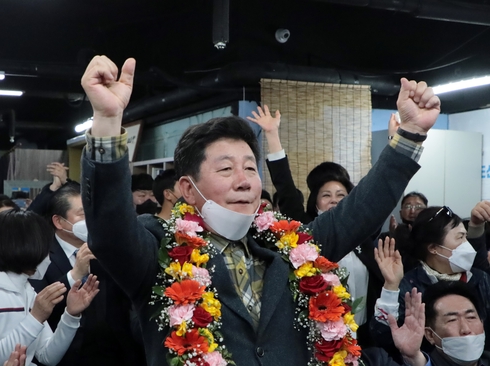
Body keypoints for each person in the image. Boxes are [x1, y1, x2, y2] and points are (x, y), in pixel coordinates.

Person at [80, 55, 440, 365]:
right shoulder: (158, 251)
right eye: (225, 169)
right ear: (187, 189)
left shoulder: (294, 247)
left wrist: (409, 133)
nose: (244, 181)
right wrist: (108, 123)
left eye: (250, 168)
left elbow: (360, 210)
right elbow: (110, 230)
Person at [248, 105, 384, 347]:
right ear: (316, 202)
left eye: (341, 195)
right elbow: (287, 190)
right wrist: (272, 135)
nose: (334, 200)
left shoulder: (363, 238)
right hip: (319, 336)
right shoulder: (309, 232)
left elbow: (377, 199)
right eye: (326, 195)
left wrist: (396, 140)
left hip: (365, 333)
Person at [28, 184, 145, 366]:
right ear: (59, 221)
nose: (91, 220)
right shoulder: (40, 254)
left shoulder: (108, 249)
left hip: (114, 354)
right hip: (65, 355)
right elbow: (39, 302)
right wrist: (74, 275)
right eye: (83, 215)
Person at [371, 206, 490, 355]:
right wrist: (391, 286)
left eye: (466, 236)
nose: (467, 245)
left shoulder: (480, 279)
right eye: (460, 237)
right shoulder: (409, 286)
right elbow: (383, 338)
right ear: (434, 248)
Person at [0, 209, 99, 366]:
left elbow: (47, 356)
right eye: (46, 249)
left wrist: (70, 315)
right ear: (27, 247)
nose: (48, 257)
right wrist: (36, 317)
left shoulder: (27, 289)